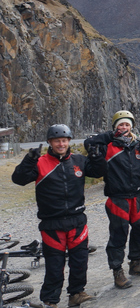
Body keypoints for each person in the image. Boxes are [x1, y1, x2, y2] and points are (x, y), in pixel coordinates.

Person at [12, 124, 106, 307]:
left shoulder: (79, 160)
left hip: (77, 220)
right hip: (51, 223)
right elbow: (19, 179)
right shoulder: (40, 163)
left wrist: (96, 156)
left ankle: (76, 294)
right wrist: (29, 160)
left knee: (80, 262)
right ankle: (50, 300)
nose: (61, 144)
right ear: (50, 142)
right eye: (57, 141)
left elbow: (100, 171)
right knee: (55, 266)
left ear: (69, 141)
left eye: (64, 140)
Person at [83, 110, 140, 289]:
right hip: (117, 198)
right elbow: (88, 142)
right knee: (118, 236)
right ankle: (117, 271)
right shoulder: (107, 145)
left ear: (132, 127)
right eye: (121, 124)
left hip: (137, 196)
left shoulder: (136, 144)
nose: (124, 127)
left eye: (127, 124)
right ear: (115, 127)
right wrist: (109, 136)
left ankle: (136, 263)